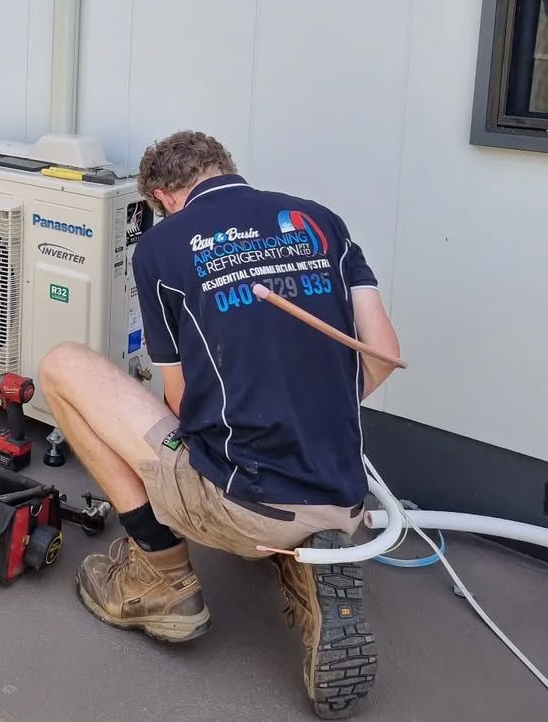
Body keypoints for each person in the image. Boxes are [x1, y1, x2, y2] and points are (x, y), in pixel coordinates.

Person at [39, 130, 400, 720]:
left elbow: (182, 404)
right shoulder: (320, 221)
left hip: (245, 504)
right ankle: (307, 561)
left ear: (163, 196)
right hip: (344, 495)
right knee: (284, 481)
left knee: (61, 368)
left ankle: (162, 577)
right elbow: (382, 352)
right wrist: (314, 400)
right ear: (227, 168)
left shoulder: (162, 249)